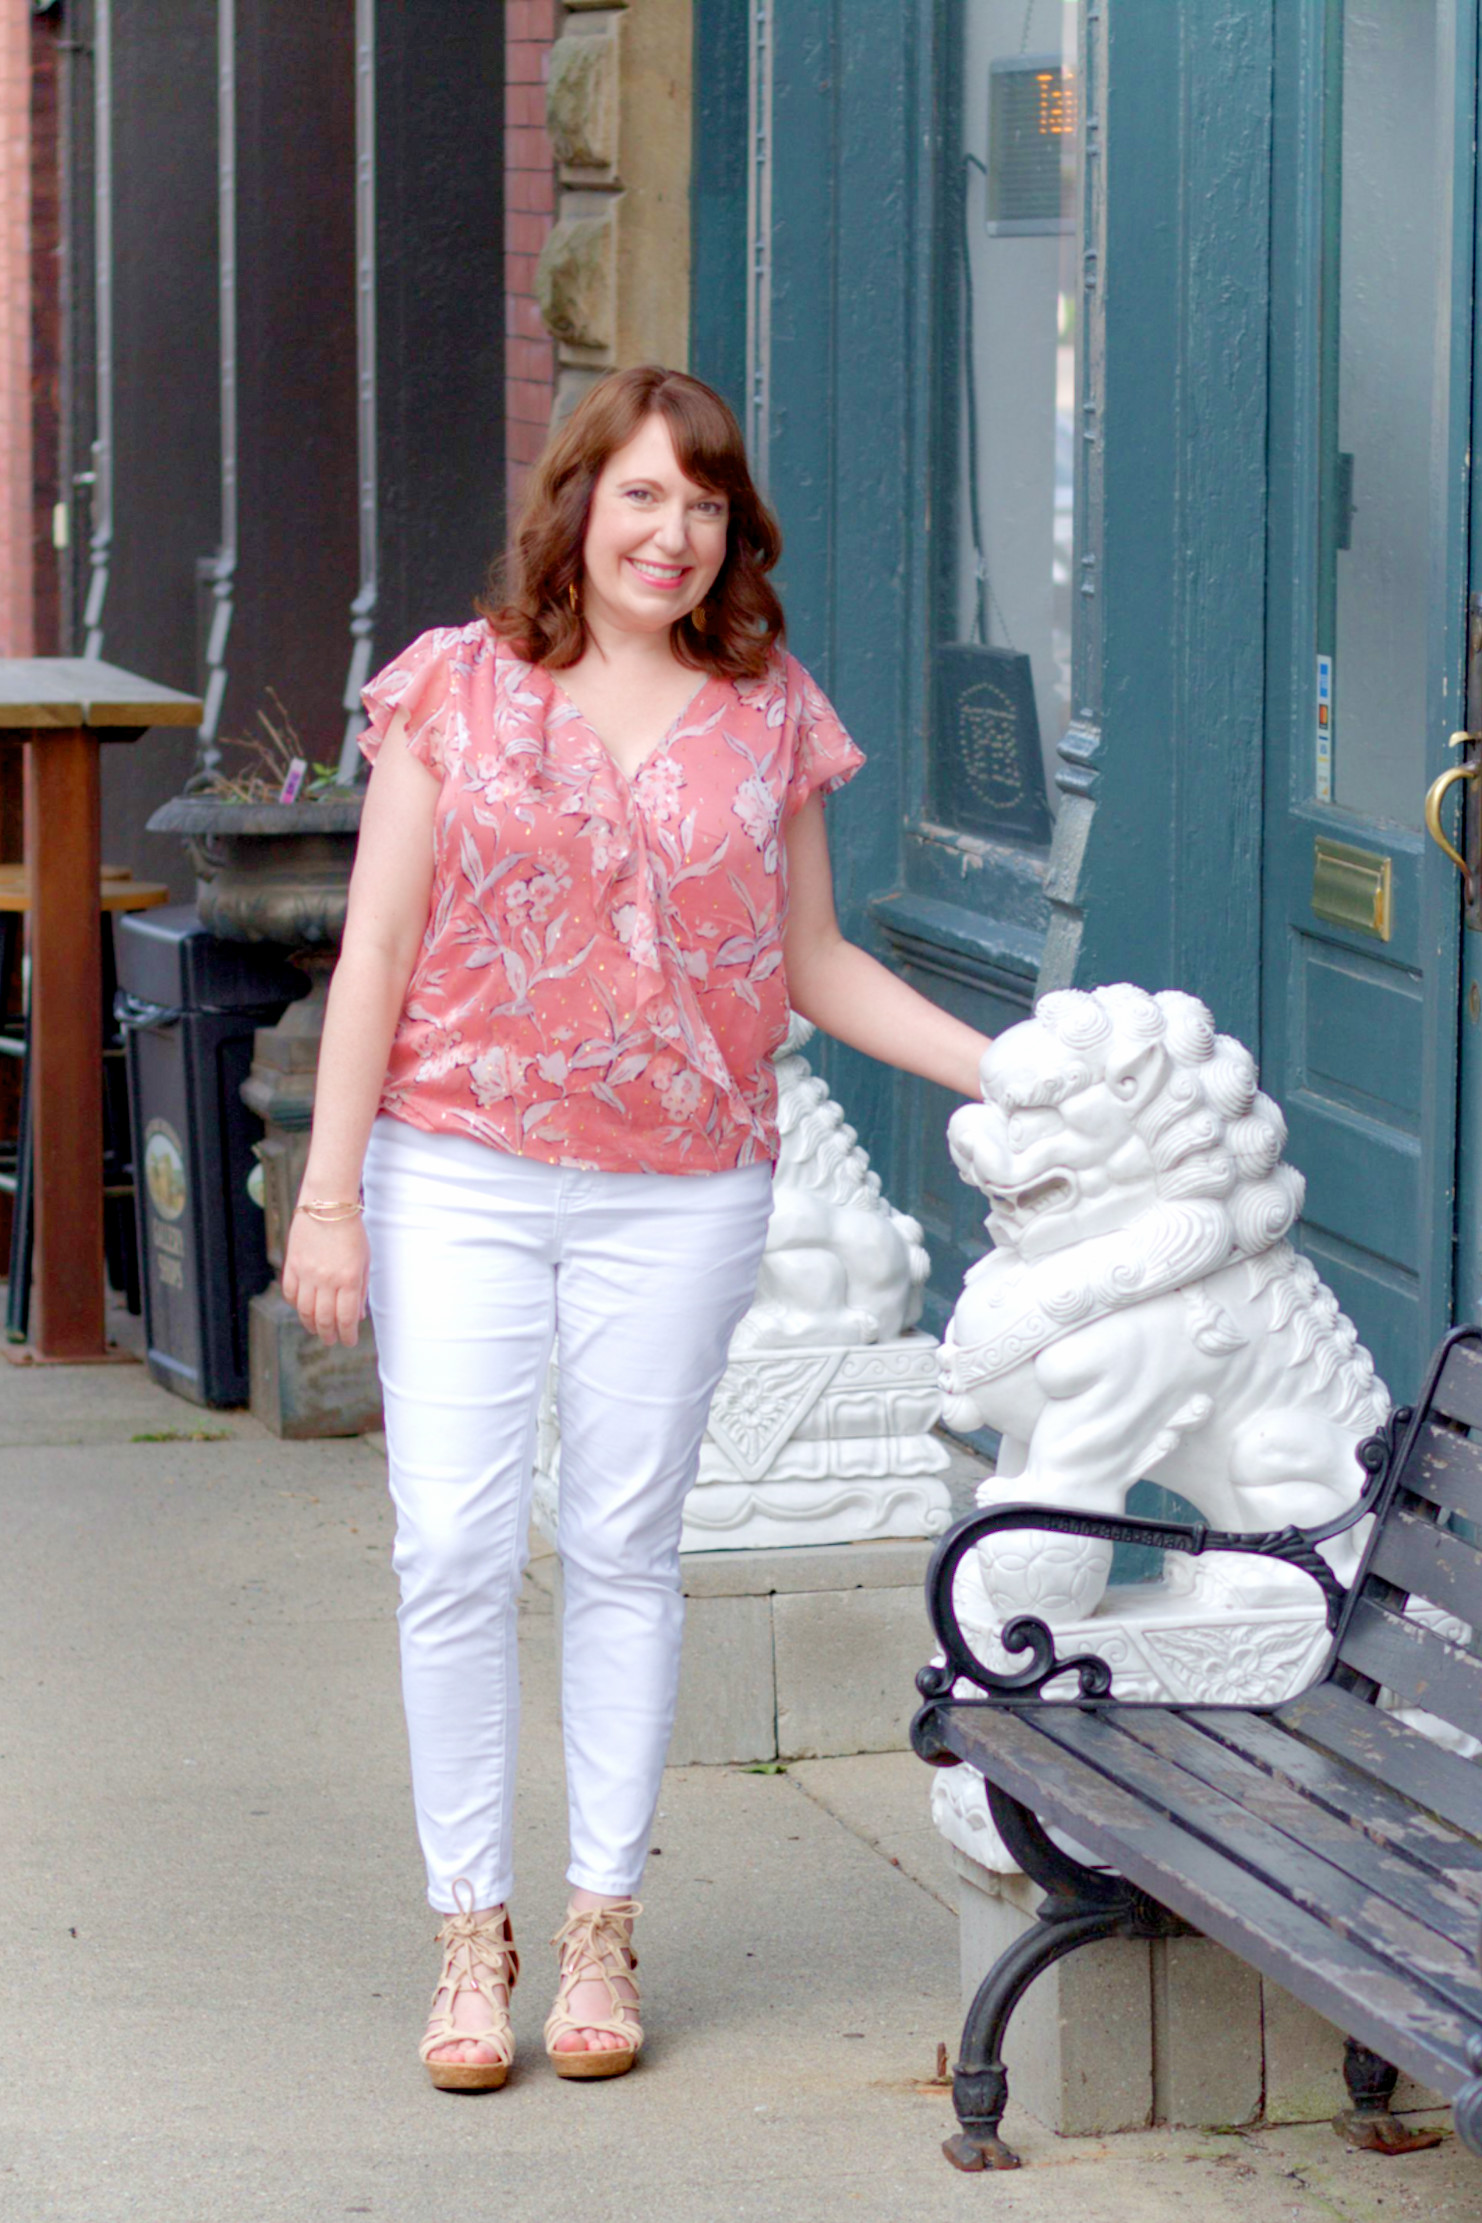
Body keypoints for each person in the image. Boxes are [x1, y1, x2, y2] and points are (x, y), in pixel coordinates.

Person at [282, 365, 991, 2092]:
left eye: (702, 504)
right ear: (576, 507)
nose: (671, 534)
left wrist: (1011, 1070)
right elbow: (372, 952)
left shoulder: (769, 717)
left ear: (726, 531)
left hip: (679, 1188)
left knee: (620, 1545)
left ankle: (600, 1924)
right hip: (454, 1165)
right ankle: (472, 1934)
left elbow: (813, 967)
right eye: (641, 498)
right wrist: (328, 1194)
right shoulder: (455, 690)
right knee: (449, 1547)